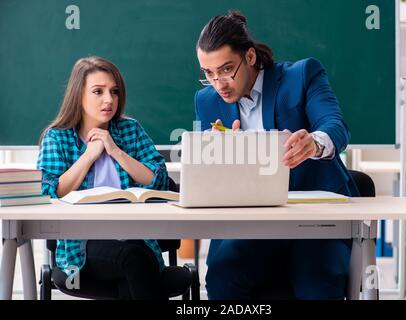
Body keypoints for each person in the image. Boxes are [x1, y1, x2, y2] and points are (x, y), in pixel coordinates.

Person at [195, 11, 360, 300]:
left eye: (226, 69)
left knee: (316, 288)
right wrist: (227, 158)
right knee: (222, 278)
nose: (219, 83)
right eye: (209, 74)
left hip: (316, 222)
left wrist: (314, 143)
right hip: (254, 226)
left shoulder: (301, 75)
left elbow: (336, 126)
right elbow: (213, 174)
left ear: (249, 57)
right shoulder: (207, 101)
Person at [37, 56, 169, 300]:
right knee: (134, 261)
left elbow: (159, 179)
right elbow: (49, 193)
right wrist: (89, 156)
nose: (109, 99)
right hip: (83, 248)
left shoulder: (130, 130)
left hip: (135, 237)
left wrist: (116, 151)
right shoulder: (57, 138)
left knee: (133, 266)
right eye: (98, 91)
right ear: (79, 95)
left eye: (114, 91)